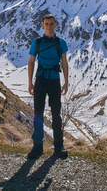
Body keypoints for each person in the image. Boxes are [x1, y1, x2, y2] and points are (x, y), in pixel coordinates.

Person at [27, 14, 69, 159]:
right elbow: (31, 62)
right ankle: (37, 147)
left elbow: (64, 62)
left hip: (54, 80)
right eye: (46, 24)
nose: (49, 26)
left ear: (56, 25)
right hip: (40, 79)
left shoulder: (61, 42)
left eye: (51, 23)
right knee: (38, 114)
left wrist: (66, 81)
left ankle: (59, 147)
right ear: (42, 25)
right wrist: (30, 82)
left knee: (56, 114)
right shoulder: (36, 42)